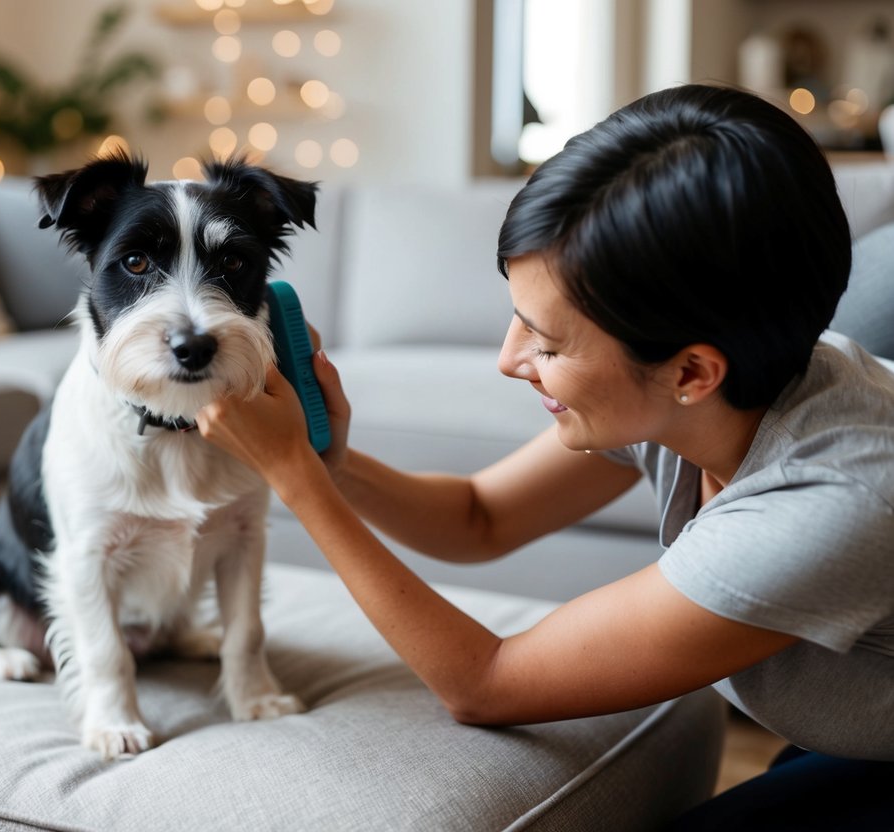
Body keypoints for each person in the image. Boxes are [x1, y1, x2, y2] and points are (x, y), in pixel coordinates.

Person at [194, 84, 894, 829]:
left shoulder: (827, 502)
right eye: (518, 320)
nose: (506, 359)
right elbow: (479, 517)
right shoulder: (725, 392)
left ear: (690, 372)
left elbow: (487, 684)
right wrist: (328, 458)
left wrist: (294, 479)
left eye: (547, 343)